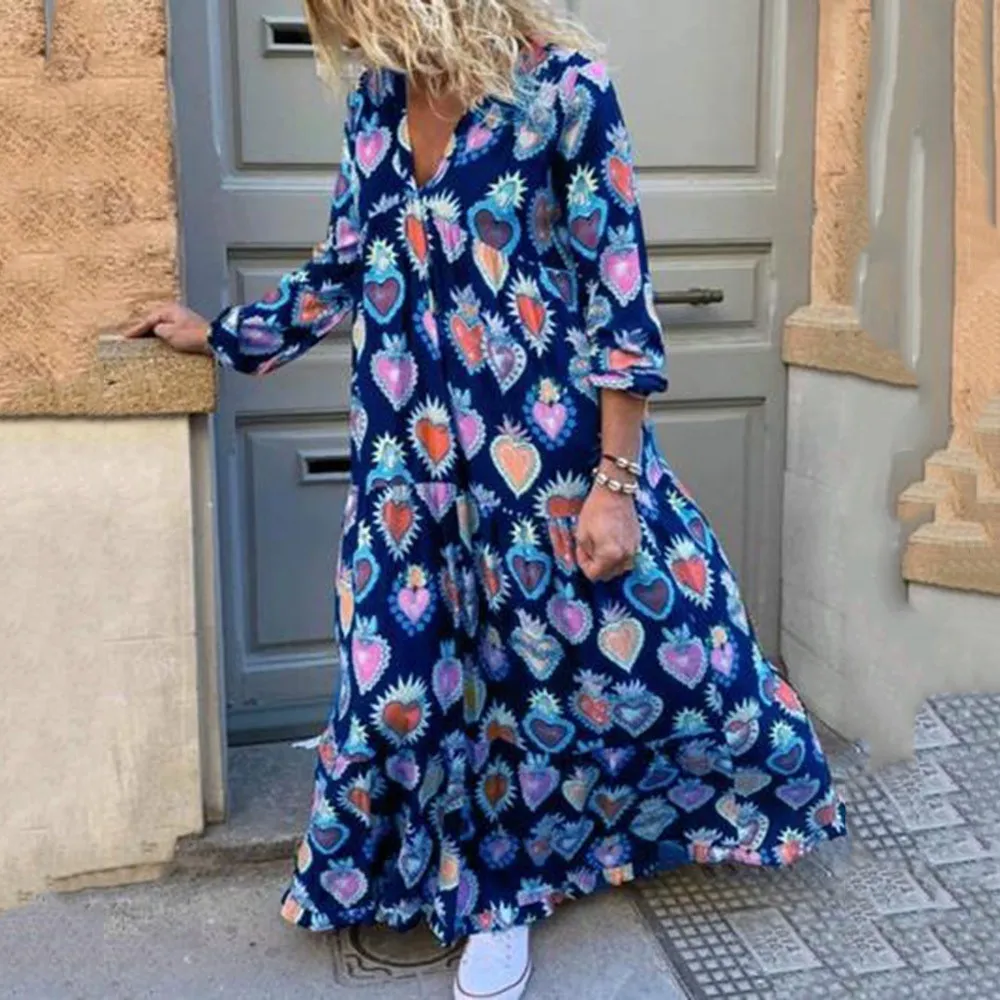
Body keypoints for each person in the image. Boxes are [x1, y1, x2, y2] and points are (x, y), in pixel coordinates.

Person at [128, 2, 847, 997]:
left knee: (617, 666)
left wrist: (615, 483)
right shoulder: (378, 102)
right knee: (398, 687)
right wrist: (223, 334)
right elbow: (346, 262)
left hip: (540, 457)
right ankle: (435, 866)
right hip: (406, 465)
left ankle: (505, 893)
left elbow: (618, 294)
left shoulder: (564, 93)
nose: (347, 31)